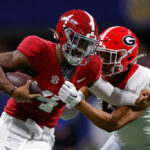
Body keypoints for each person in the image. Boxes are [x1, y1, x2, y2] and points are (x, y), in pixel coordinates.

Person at [0, 9, 102, 150]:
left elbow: (70, 111)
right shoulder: (38, 49)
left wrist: (76, 100)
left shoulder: (92, 66)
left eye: (86, 44)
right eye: (77, 41)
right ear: (63, 34)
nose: (81, 50)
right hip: (12, 126)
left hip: (44, 135)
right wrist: (12, 91)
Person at [58, 26, 150, 150]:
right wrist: (60, 94)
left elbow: (113, 123)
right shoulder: (98, 74)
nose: (103, 61)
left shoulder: (144, 81)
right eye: (100, 54)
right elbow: (69, 113)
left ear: (127, 57)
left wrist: (76, 101)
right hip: (121, 142)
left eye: (109, 56)